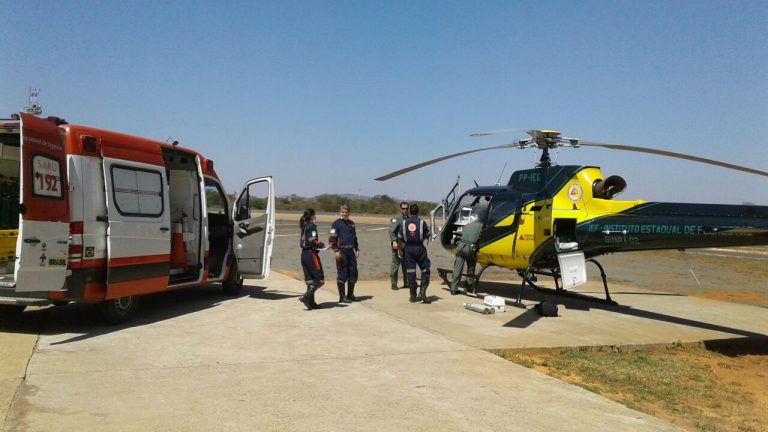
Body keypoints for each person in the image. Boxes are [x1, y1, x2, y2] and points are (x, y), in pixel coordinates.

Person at [399, 203, 431, 304]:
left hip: (408, 249)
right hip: (419, 248)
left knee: (410, 272)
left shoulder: (404, 223)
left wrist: (400, 250)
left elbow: (399, 238)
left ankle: (413, 296)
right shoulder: (422, 222)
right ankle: (422, 292)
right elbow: (427, 235)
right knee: (425, 270)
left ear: (409, 211)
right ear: (418, 212)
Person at [329, 204, 359, 303]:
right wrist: (336, 251)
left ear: (349, 213)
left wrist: (357, 249)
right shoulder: (336, 224)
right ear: (340, 212)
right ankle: (342, 297)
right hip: (342, 251)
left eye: (346, 212)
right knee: (343, 273)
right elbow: (332, 239)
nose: (345, 214)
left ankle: (350, 295)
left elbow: (354, 238)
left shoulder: (352, 223)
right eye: (343, 212)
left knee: (353, 273)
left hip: (351, 252)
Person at [449, 210, 483, 295]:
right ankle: (469, 287)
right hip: (470, 249)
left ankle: (453, 288)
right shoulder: (482, 226)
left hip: (461, 247)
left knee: (457, 269)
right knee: (471, 268)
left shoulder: (467, 225)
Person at [299, 209, 327, 310]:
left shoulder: (304, 226)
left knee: (310, 280)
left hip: (304, 255)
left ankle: (311, 303)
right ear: (312, 216)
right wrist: (323, 246)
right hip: (311, 255)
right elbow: (313, 241)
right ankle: (306, 297)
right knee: (319, 279)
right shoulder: (312, 226)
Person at [388, 201, 409, 290]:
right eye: (403, 208)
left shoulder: (409, 219)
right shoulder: (396, 219)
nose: (405, 210)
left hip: (407, 245)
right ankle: (394, 284)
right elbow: (391, 231)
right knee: (395, 265)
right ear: (400, 209)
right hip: (398, 245)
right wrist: (394, 241)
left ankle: (407, 283)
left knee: (407, 265)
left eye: (407, 208)